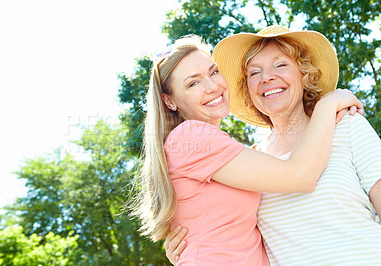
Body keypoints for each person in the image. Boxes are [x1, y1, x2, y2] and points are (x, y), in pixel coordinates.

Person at [130, 34, 363, 265]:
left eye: (213, 72)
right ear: (170, 101)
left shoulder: (222, 148)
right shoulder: (190, 137)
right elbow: (299, 176)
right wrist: (328, 103)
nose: (212, 86)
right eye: (193, 83)